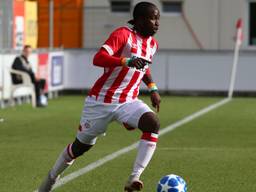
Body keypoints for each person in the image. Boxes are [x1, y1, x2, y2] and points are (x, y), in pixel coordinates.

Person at [38, 1, 160, 191]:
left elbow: (143, 66)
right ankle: (51, 179)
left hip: (128, 101)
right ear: (140, 20)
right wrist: (125, 61)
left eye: (158, 19)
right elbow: (99, 58)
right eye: (153, 18)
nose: (157, 23)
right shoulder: (123, 35)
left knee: (152, 124)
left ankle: (134, 178)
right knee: (80, 148)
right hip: (101, 102)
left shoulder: (152, 44)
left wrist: (152, 88)